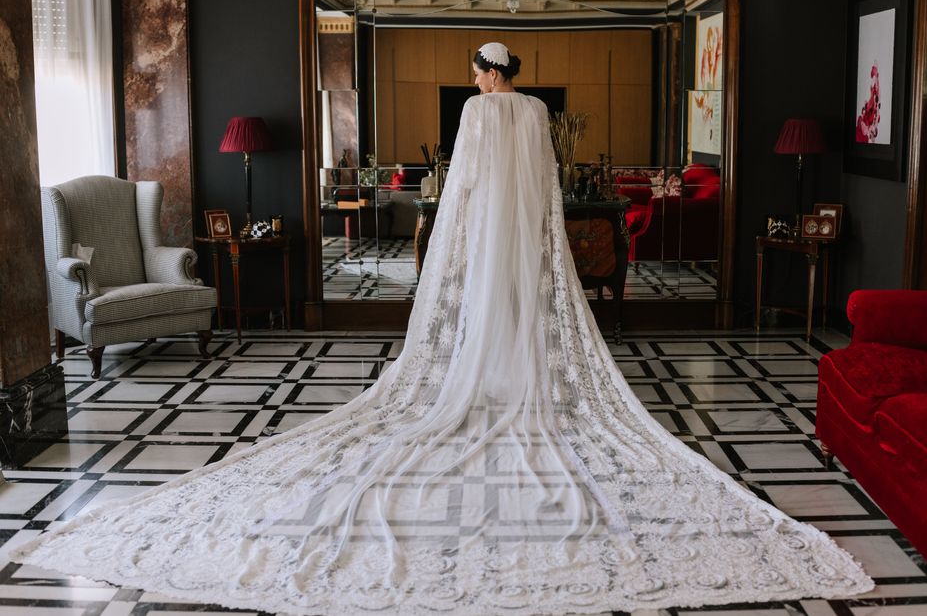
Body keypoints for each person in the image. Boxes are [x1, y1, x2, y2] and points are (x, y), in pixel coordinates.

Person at [11, 43, 873, 614]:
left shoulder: (475, 114)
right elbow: (542, 191)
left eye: (478, 67)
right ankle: (517, 378)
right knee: (523, 311)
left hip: (484, 233)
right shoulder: (535, 114)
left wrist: (445, 249)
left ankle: (479, 375)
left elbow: (459, 189)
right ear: (515, 70)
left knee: (470, 325)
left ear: (481, 70)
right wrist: (543, 245)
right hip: (524, 237)